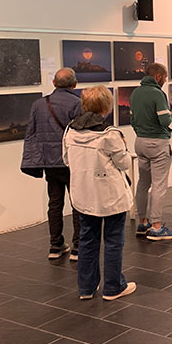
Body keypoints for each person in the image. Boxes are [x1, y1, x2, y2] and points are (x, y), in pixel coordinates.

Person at [63, 86, 135, 301]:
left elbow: (66, 160)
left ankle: (86, 287)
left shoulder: (70, 131)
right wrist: (123, 147)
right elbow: (124, 163)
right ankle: (113, 287)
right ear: (106, 105)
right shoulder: (110, 134)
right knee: (113, 241)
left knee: (87, 240)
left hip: (83, 194)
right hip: (110, 196)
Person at [21, 68, 82, 261]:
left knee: (54, 203)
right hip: (72, 161)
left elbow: (31, 134)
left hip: (49, 162)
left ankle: (55, 245)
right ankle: (78, 247)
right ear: (74, 84)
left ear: (54, 83)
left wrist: (33, 160)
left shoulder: (39, 104)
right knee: (78, 204)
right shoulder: (77, 103)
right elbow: (81, 134)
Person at [131, 63, 172, 241]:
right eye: (165, 77)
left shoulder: (135, 93)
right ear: (158, 76)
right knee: (159, 185)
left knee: (143, 183)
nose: (165, 81)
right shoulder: (158, 94)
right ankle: (157, 226)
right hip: (157, 142)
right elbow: (165, 120)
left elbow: (133, 119)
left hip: (140, 142)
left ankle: (143, 222)